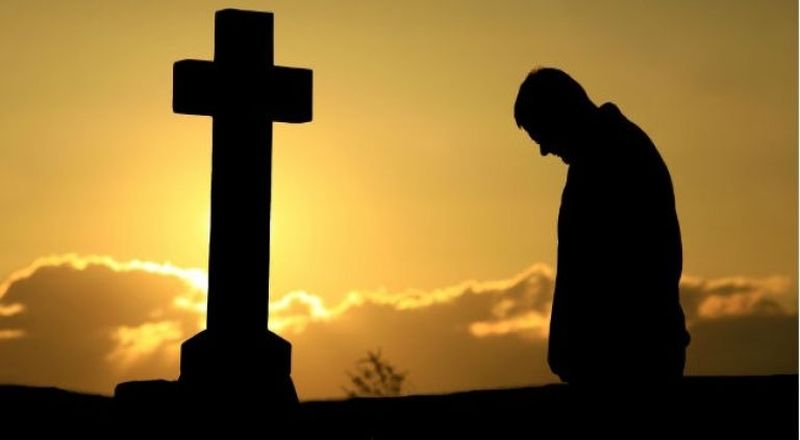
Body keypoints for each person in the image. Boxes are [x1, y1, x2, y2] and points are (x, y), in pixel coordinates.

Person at [514, 67, 690, 387]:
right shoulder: (611, 151)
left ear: (560, 114)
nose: (544, 150)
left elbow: (602, 270)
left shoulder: (612, 158)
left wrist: (574, 348)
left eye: (542, 133)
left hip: (624, 362)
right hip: (622, 356)